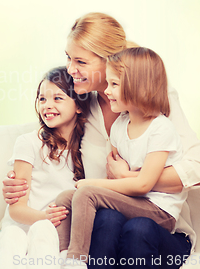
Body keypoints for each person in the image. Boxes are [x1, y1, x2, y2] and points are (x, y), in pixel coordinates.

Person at [2, 13, 200, 269]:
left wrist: (130, 177)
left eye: (80, 61)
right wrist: (19, 185)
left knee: (137, 228)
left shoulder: (154, 99)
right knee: (106, 220)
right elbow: (47, 143)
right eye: (68, 58)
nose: (70, 70)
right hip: (105, 225)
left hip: (156, 229)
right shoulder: (82, 106)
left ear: (110, 61)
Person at [55, 47, 187, 269]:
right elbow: (114, 179)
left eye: (114, 84)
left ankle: (75, 261)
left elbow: (144, 184)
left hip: (158, 210)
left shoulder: (160, 128)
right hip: (134, 203)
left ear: (138, 86)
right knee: (66, 198)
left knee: (85, 192)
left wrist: (89, 184)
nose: (106, 91)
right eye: (107, 83)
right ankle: (61, 253)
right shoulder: (120, 126)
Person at [0, 67, 89, 269]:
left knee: (48, 237)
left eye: (57, 98)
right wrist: (45, 217)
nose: (47, 106)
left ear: (79, 106)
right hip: (22, 228)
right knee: (14, 235)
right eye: (42, 99)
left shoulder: (88, 148)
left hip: (55, 235)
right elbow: (16, 209)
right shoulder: (29, 143)